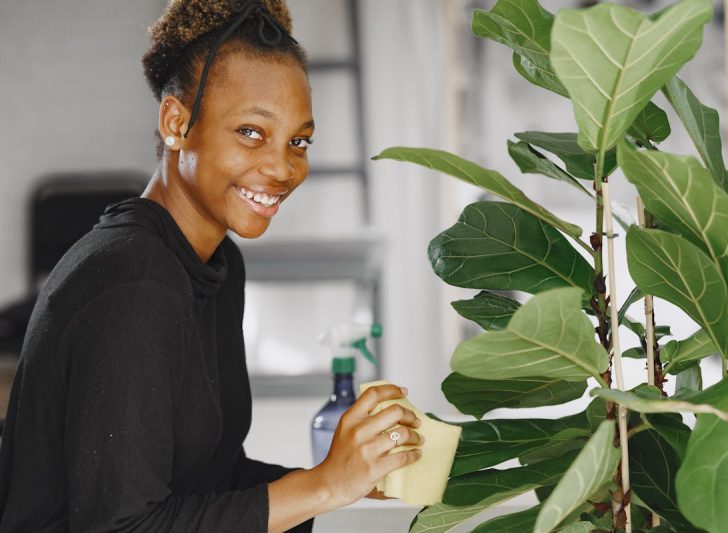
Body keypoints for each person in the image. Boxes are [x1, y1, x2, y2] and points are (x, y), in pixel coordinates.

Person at [0, 1, 423, 531]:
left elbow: (207, 479)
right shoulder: (133, 280)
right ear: (177, 124)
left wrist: (347, 477)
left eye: (299, 141)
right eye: (251, 131)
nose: (282, 167)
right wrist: (323, 485)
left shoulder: (216, 266)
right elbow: (122, 526)